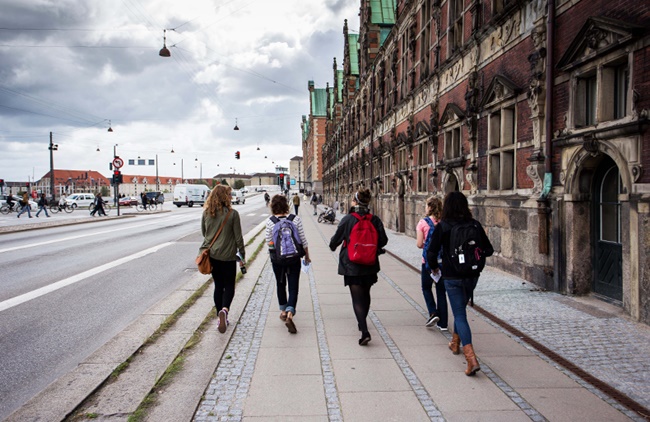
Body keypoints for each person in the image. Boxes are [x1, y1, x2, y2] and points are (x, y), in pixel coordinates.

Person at [426, 191, 493, 376]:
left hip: (452, 276)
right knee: (460, 308)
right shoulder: (475, 225)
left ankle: (471, 358)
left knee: (459, 314)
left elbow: (431, 252)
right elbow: (488, 250)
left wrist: (435, 268)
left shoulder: (443, 226)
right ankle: (455, 342)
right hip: (472, 275)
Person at [329, 188, 388, 346]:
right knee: (366, 294)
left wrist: (333, 246)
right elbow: (383, 240)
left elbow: (335, 239)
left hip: (352, 264)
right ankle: (362, 322)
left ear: (355, 202)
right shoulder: (374, 220)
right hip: (369, 264)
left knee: (356, 298)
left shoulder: (348, 219)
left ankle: (364, 331)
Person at [200, 185, 245, 334]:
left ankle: (220, 317)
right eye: (229, 194)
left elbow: (204, 233)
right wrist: (242, 255)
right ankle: (225, 310)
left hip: (213, 255)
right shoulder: (233, 214)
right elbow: (238, 238)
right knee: (229, 285)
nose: (231, 197)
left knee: (218, 286)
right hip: (229, 256)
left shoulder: (206, 213)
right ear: (225, 197)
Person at [266, 194, 310, 333]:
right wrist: (307, 256)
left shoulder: (270, 221)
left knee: (280, 284)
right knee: (293, 285)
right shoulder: (295, 219)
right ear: (286, 205)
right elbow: (303, 240)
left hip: (278, 260)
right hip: (294, 258)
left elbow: (269, 242)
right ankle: (291, 312)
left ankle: (283, 311)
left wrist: (275, 254)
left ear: (273, 206)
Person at [416, 196, 446, 329]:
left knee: (426, 288)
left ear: (429, 207)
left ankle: (433, 312)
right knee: (441, 291)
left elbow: (419, 244)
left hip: (428, 261)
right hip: (442, 261)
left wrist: (427, 246)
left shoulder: (423, 223)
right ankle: (443, 323)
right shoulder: (444, 222)